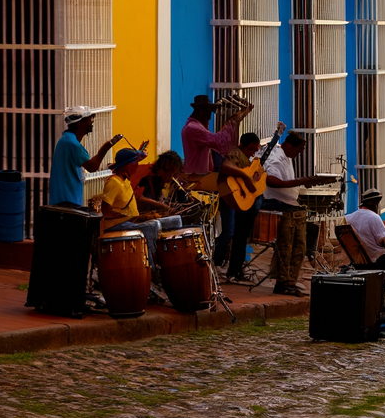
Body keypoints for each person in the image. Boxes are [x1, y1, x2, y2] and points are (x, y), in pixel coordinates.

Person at [260, 131, 337, 296]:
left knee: (300, 248)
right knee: (285, 247)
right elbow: (271, 180)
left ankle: (291, 281)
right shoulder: (276, 158)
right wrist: (301, 181)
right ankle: (282, 282)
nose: (300, 153)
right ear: (289, 145)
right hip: (280, 207)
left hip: (293, 206)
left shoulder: (287, 157)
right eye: (299, 149)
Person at [181, 95, 252, 267]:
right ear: (200, 111)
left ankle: (215, 260)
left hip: (208, 180)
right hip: (198, 182)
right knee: (206, 227)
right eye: (208, 112)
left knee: (223, 227)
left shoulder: (197, 127)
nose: (210, 116)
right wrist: (233, 121)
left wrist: (234, 121)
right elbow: (219, 141)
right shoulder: (193, 128)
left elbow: (220, 144)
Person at [95, 147, 182, 268]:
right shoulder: (113, 182)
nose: (137, 167)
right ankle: (150, 269)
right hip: (118, 226)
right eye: (135, 163)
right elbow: (105, 210)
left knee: (176, 219)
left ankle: (175, 263)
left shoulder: (125, 181)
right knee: (153, 225)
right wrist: (129, 217)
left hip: (131, 221)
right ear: (126, 165)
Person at [48, 106, 122, 207]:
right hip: (68, 200)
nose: (91, 122)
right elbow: (92, 167)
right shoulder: (73, 144)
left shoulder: (64, 141)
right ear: (79, 123)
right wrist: (107, 146)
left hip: (62, 198)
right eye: (88, 120)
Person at [219, 132, 264, 283]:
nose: (252, 153)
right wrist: (245, 177)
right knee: (237, 236)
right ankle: (233, 270)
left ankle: (236, 270)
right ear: (241, 145)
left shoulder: (246, 158)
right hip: (236, 198)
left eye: (254, 151)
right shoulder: (235, 153)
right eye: (250, 150)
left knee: (242, 237)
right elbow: (225, 167)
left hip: (247, 201)